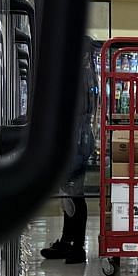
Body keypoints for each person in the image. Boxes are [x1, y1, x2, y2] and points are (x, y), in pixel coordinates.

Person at [41, 76, 93, 263]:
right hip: (75, 141)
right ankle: (67, 241)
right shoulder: (81, 76)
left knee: (75, 194)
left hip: (76, 143)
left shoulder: (79, 78)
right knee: (69, 195)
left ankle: (77, 247)